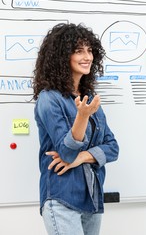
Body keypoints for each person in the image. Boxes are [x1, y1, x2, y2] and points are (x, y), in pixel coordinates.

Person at [32, 23, 119, 235]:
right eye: (79, 51)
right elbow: (67, 153)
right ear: (62, 56)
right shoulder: (49, 98)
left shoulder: (88, 97)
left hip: (91, 197)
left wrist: (82, 157)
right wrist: (81, 117)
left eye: (89, 50)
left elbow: (112, 148)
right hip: (62, 197)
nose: (87, 56)